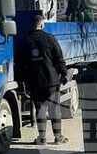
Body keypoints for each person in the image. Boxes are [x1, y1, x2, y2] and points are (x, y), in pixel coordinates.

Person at [20, 12, 69, 145]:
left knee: (40, 109)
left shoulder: (26, 40)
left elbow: (22, 63)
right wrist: (64, 74)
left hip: (35, 82)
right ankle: (58, 137)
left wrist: (23, 81)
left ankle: (41, 138)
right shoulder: (50, 38)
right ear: (42, 23)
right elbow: (59, 58)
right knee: (54, 110)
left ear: (32, 24)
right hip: (51, 80)